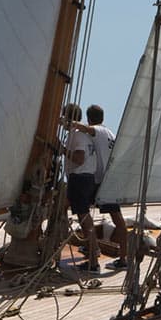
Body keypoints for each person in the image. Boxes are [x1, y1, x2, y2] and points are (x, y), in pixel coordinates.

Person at [70, 104, 128, 270]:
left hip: (102, 181)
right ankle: (123, 258)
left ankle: (93, 254)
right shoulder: (111, 134)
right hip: (111, 180)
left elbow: (85, 129)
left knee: (81, 211)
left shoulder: (98, 131)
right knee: (118, 219)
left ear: (89, 119)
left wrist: (66, 122)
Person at [60, 103, 100, 274]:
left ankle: (93, 262)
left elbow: (79, 158)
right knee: (63, 210)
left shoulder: (77, 136)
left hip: (79, 178)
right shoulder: (82, 135)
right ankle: (94, 251)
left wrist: (60, 148)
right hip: (84, 179)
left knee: (84, 220)